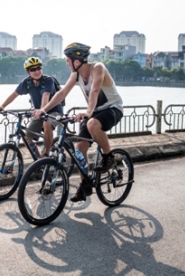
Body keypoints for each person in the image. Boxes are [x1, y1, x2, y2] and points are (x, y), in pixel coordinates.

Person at [33, 42, 124, 202]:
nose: (66, 63)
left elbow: (95, 90)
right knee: (79, 149)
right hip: (94, 111)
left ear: (76, 61)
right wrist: (44, 110)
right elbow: (62, 94)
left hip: (112, 108)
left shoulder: (98, 68)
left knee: (92, 123)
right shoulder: (76, 75)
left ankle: (109, 157)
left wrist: (88, 112)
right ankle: (85, 186)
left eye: (68, 60)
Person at [0, 57, 63, 158]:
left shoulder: (48, 80)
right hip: (38, 112)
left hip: (54, 111)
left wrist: (42, 110)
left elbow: (46, 95)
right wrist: (2, 106)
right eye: (33, 69)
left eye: (38, 68)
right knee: (27, 137)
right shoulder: (27, 83)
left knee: (47, 123)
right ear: (28, 72)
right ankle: (38, 159)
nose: (37, 71)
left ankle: (47, 154)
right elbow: (14, 94)